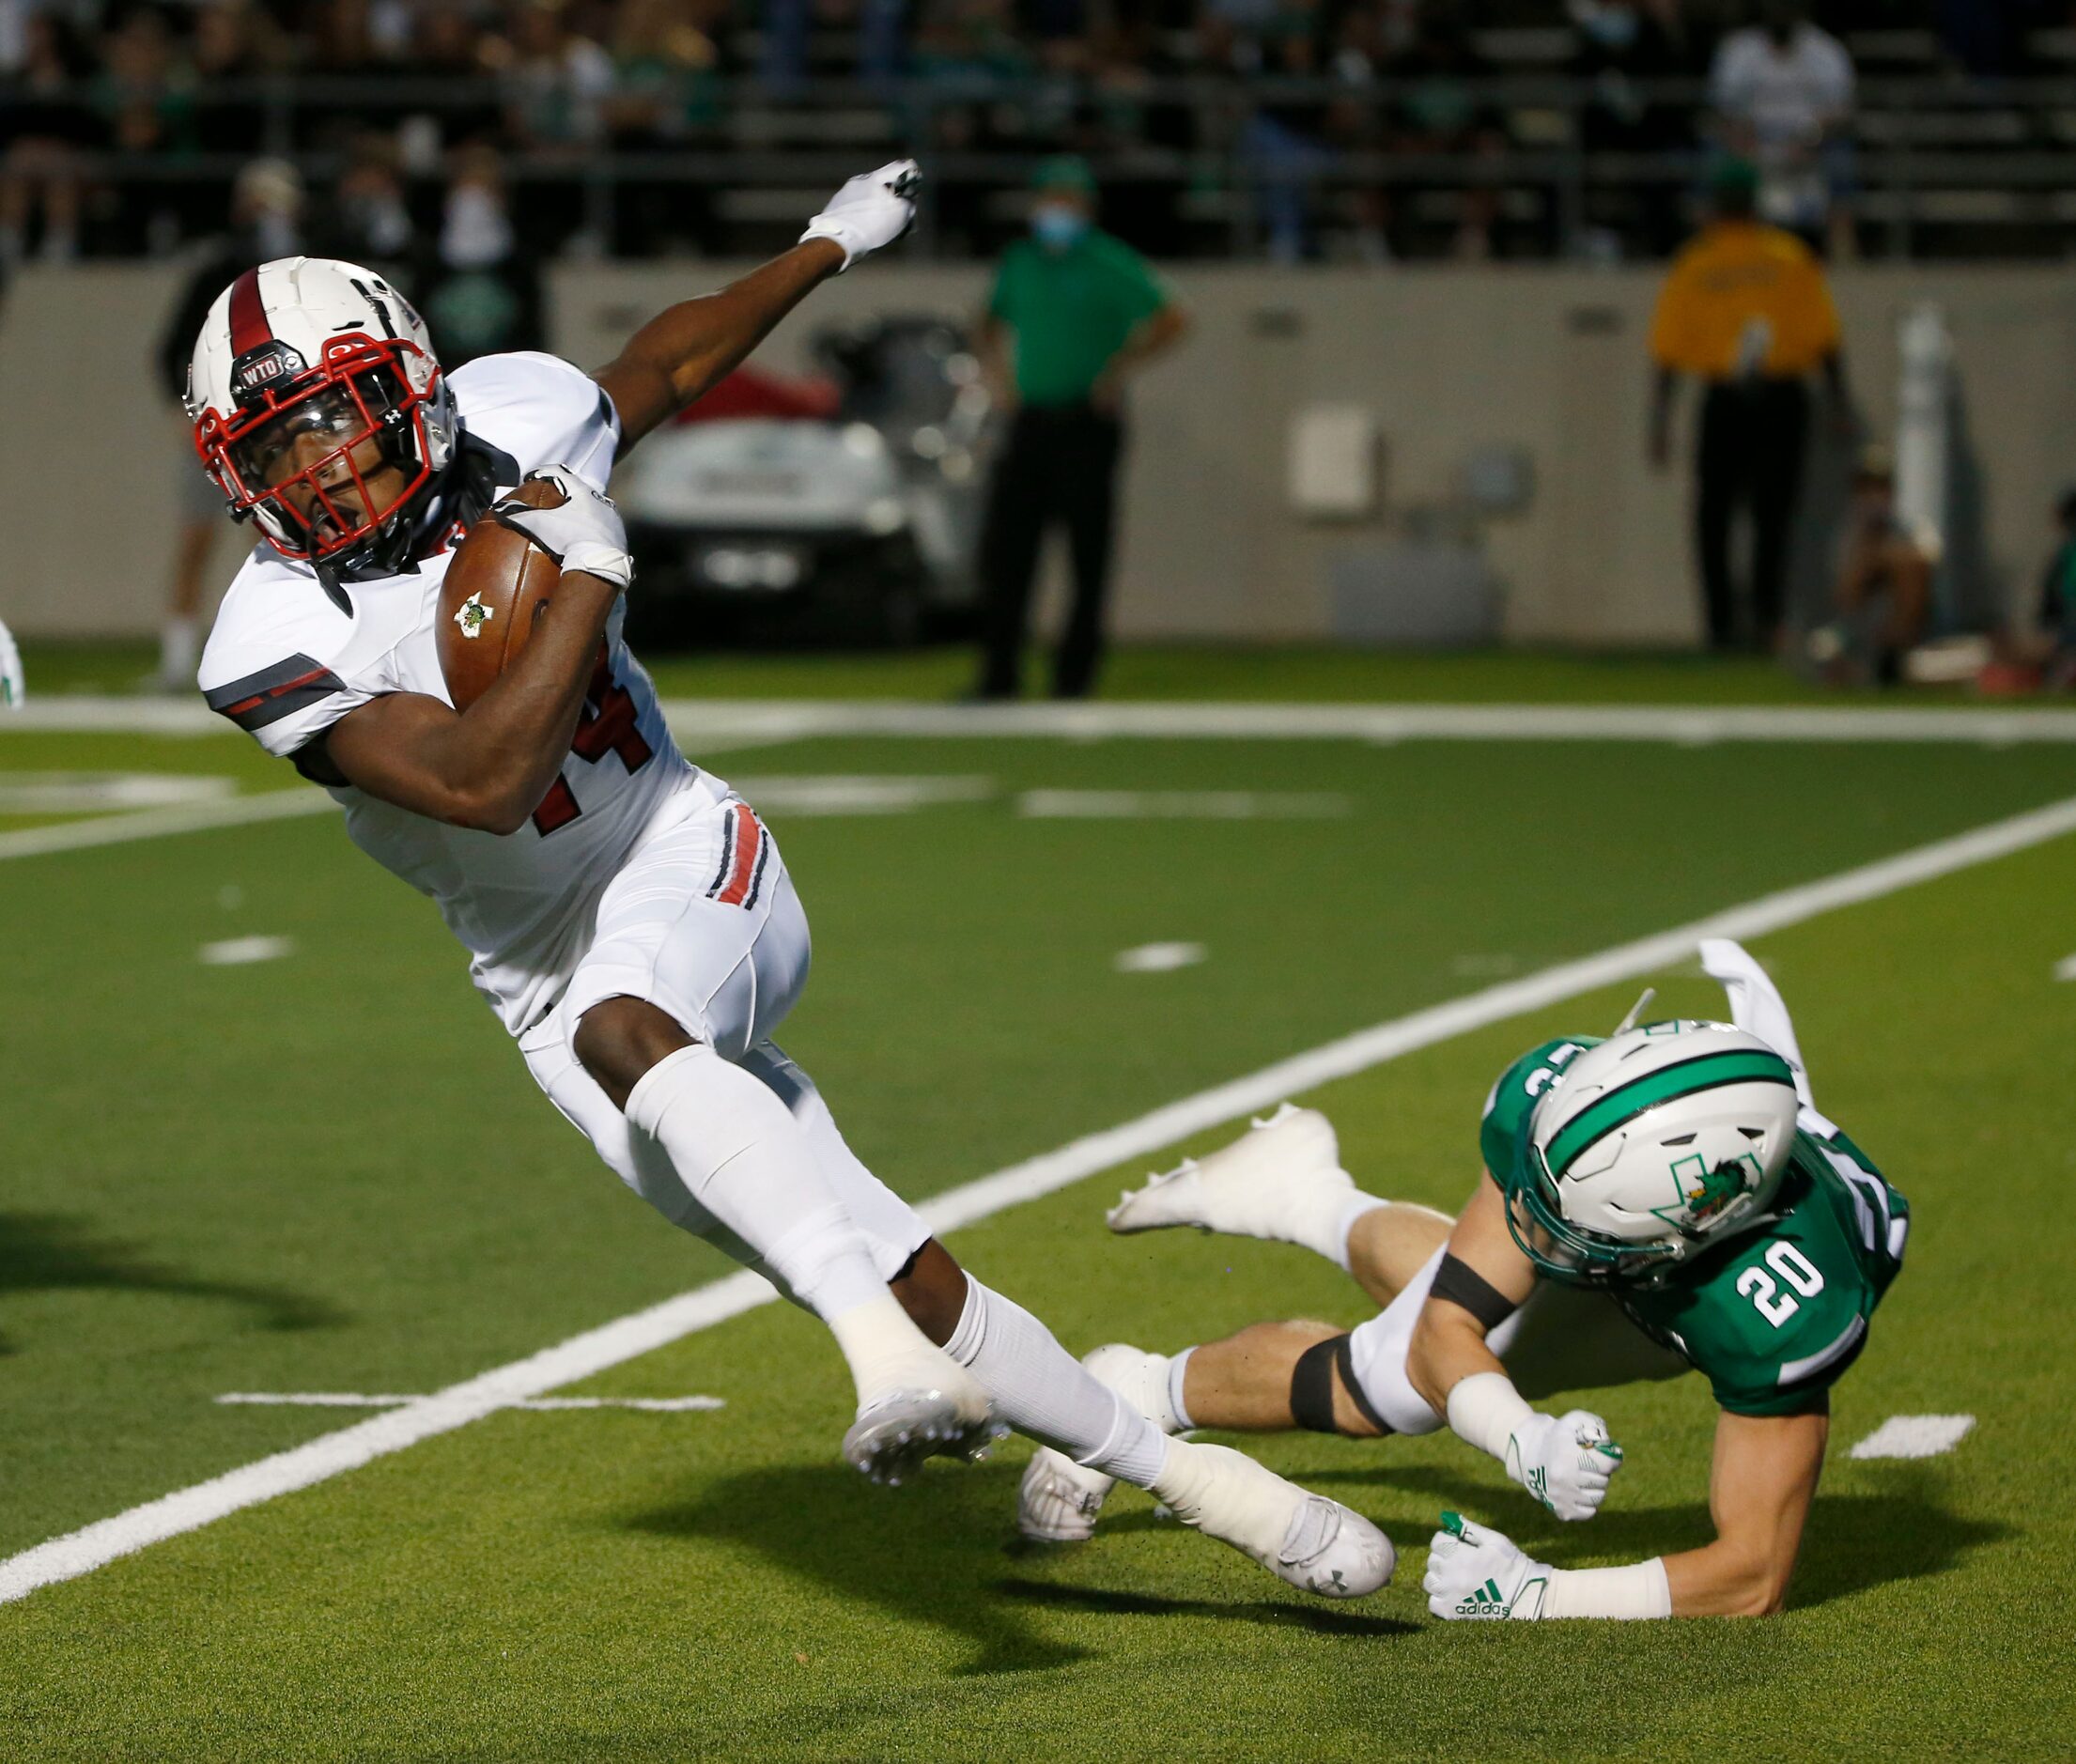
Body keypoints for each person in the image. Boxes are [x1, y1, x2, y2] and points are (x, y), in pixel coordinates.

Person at [185, 163, 1391, 1603]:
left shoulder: (514, 414)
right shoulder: (261, 637)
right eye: (275, 442)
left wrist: (825, 244)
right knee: (899, 1264)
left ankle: (876, 1366)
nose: (312, 464)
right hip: (528, 973)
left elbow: (671, 356)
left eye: (328, 414)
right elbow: (478, 786)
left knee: (629, 1029)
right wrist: (586, 571)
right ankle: (1215, 1484)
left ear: (411, 388)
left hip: (682, 847)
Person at [1022, 938, 1908, 1621]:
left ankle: (1304, 1196)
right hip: (1639, 1213)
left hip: (1718, 1281)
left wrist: (1542, 1595)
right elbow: (1448, 1326)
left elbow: (1754, 1576)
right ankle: (1143, 1385)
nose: (1534, 1233)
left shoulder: (1778, 1306)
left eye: (1580, 1232)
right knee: (1395, 1385)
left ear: (1695, 1230)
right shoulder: (1556, 1107)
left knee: (1448, 1341)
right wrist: (1521, 1438)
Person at [973, 157, 1187, 701]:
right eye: (1052, 198)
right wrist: (1000, 382)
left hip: (1087, 424)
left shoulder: (1108, 261)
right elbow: (986, 322)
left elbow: (1172, 317)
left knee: (1087, 555)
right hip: (1031, 421)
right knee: (1008, 553)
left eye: (1069, 200)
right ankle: (999, 676)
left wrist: (1118, 369)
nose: (1058, 210)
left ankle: (1073, 679)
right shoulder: (1020, 261)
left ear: (1087, 208)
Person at [1649, 158, 1848, 654]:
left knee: (1724, 518)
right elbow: (1825, 340)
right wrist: (1837, 400)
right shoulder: (1784, 256)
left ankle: (1732, 625)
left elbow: (1667, 354)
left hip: (1731, 397)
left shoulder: (1700, 261)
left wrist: (1660, 421)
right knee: (1767, 517)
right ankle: (1760, 620)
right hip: (1777, 397)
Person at [148, 158, 304, 693]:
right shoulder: (217, 271)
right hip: (223, 428)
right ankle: (176, 660)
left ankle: (277, 650)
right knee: (197, 539)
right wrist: (187, 411)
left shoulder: (300, 270)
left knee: (281, 544)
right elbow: (172, 350)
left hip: (280, 431)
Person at [1709, 0, 1854, 255]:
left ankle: (1844, 249)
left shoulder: (1825, 50)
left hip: (1811, 145)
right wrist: (1743, 141)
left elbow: (1840, 110)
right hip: (1750, 143)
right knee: (1714, 157)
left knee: (1842, 158)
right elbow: (1723, 108)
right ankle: (1716, 250)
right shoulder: (1739, 50)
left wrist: (1811, 138)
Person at [1808, 446, 1931, 687]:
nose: (1874, 495)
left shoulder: (1912, 531)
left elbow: (1921, 585)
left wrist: (1887, 557)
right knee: (1821, 649)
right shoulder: (1846, 535)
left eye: (1881, 486)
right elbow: (1846, 597)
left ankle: (1891, 659)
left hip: (1909, 639)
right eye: (1867, 487)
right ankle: (1873, 664)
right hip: (1857, 635)